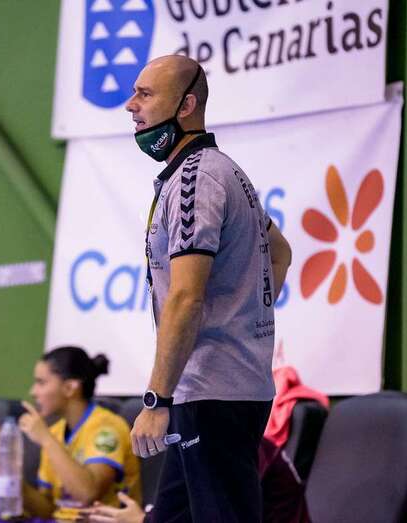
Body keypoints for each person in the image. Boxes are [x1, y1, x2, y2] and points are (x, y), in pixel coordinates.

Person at [125, 55, 293, 522]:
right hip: (211, 390)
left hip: (212, 393)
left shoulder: (198, 178)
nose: (130, 105)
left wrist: (156, 400)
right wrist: (241, 320)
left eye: (145, 94)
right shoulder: (219, 172)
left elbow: (185, 296)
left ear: (186, 105)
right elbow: (279, 253)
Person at [0, 346, 141, 522]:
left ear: (69, 388)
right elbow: (49, 510)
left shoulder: (107, 428)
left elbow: (87, 494)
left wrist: (46, 440)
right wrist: (17, 483)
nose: (33, 392)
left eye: (41, 383)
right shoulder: (54, 432)